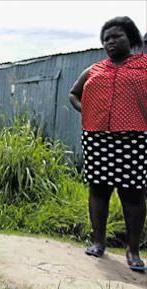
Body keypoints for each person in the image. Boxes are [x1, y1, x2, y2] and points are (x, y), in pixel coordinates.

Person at [69, 16, 147, 271]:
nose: (110, 41)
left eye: (116, 36)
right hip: (97, 140)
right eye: (106, 39)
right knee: (98, 190)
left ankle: (132, 249)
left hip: (133, 139)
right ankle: (98, 242)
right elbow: (73, 93)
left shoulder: (144, 67)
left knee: (132, 194)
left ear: (132, 39)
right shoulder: (94, 70)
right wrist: (88, 112)